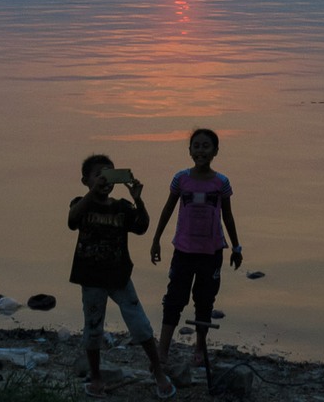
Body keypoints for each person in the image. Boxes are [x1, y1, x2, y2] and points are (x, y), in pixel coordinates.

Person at [68, 154, 176, 399]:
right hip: (91, 278)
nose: (104, 180)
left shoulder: (121, 207)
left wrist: (139, 201)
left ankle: (157, 372)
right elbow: (72, 220)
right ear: (85, 180)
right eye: (98, 175)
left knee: (140, 324)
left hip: (119, 277)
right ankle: (96, 378)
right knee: (93, 328)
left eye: (109, 175)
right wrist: (91, 194)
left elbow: (142, 227)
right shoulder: (80, 203)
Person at [150, 128, 243, 365]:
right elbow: (168, 209)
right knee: (174, 299)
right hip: (183, 250)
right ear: (189, 150)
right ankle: (163, 350)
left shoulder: (221, 182)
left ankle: (200, 349)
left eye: (206, 146)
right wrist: (156, 239)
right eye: (196, 146)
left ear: (215, 151)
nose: (201, 150)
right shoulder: (181, 179)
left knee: (204, 300)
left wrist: (236, 247)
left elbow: (228, 217)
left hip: (211, 252)